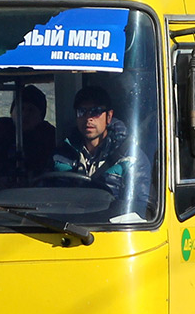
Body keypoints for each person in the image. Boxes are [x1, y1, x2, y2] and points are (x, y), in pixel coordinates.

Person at [52, 85, 151, 216]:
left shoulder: (130, 158)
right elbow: (48, 200)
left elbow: (139, 208)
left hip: (112, 229)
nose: (88, 118)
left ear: (109, 116)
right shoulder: (60, 155)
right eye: (82, 111)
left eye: (95, 111)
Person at [0, 85, 56, 189]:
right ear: (12, 113)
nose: (24, 114)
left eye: (31, 110)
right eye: (21, 108)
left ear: (41, 117)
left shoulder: (49, 142)